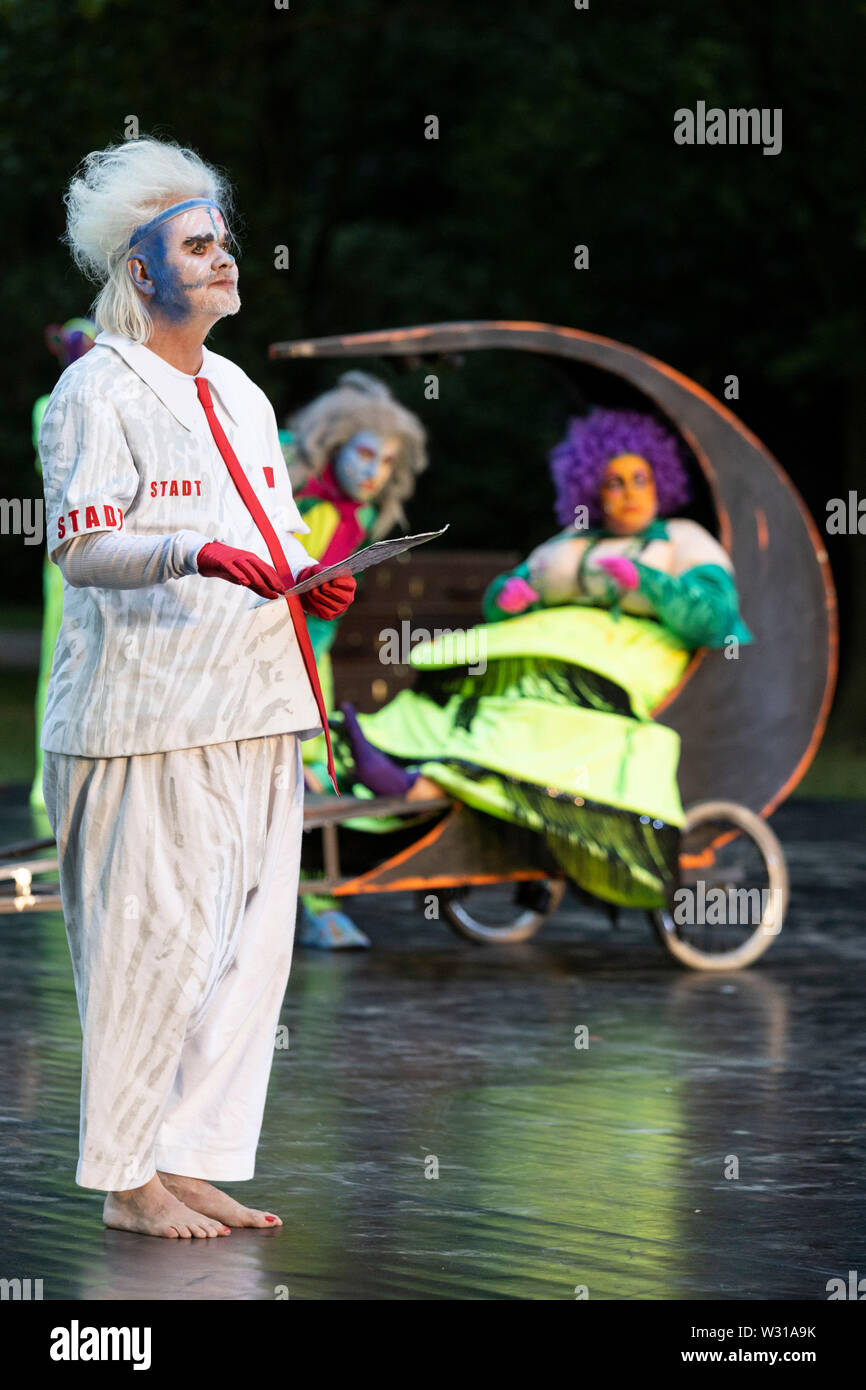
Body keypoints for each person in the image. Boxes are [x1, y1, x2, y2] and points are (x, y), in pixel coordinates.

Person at [38, 137, 354, 1238]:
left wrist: (309, 578)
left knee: (245, 955)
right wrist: (191, 553)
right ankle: (127, 1178)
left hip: (257, 707)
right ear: (139, 271)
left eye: (222, 238)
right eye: (197, 244)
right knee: (151, 946)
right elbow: (82, 547)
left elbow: (275, 527)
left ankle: (188, 1155)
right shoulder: (94, 388)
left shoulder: (243, 391)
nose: (226, 258)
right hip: (144, 719)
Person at [337, 408, 752, 910]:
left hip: (622, 663)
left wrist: (649, 585)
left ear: (660, 480)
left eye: (639, 479)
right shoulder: (574, 542)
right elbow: (514, 587)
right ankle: (392, 753)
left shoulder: (683, 540)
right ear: (593, 490)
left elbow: (713, 617)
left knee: (541, 703)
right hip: (547, 654)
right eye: (614, 483)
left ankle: (416, 785)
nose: (628, 493)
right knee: (471, 688)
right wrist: (508, 596)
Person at [288, 371, 427, 948]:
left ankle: (317, 903)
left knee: (313, 779)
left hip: (309, 662)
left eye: (387, 461)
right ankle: (314, 906)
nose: (374, 472)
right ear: (334, 444)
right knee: (299, 782)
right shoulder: (309, 504)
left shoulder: (358, 517)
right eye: (365, 454)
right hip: (275, 660)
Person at [30, 318, 98, 812]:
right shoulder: (49, 405)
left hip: (105, 552)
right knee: (60, 665)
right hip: (66, 559)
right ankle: (46, 781)